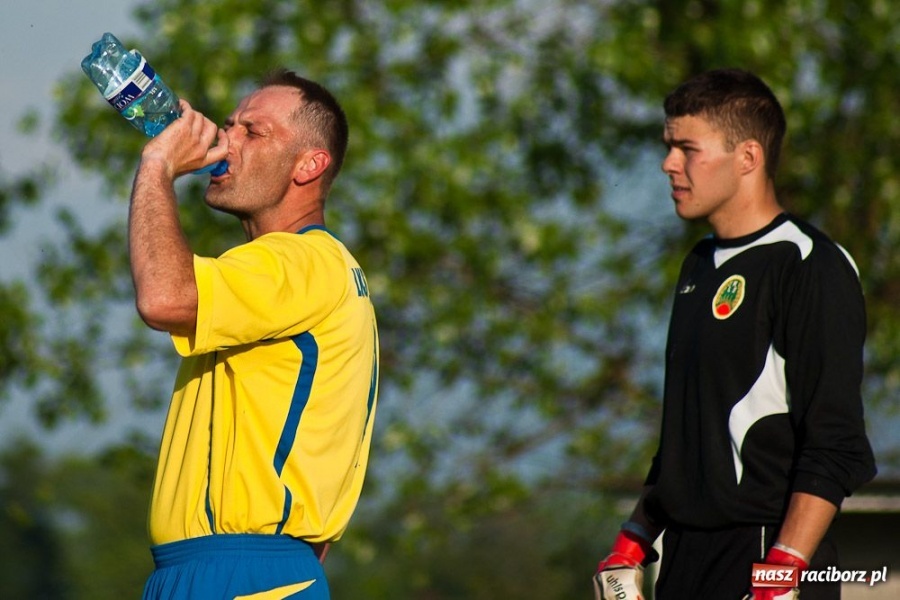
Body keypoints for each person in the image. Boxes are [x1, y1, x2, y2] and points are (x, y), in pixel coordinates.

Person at [593, 69, 876, 600]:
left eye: (686, 148)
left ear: (748, 157)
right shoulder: (698, 265)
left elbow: (836, 445)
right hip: (683, 559)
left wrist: (784, 569)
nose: (668, 164)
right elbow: (688, 436)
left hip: (764, 554)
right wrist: (633, 540)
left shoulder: (810, 265)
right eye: (668, 146)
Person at [129, 68, 379, 600]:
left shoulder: (300, 260)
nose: (226, 140)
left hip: (245, 574)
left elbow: (164, 298)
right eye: (228, 125)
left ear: (310, 165)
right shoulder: (294, 269)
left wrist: (156, 166)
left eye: (253, 131)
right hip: (236, 570)